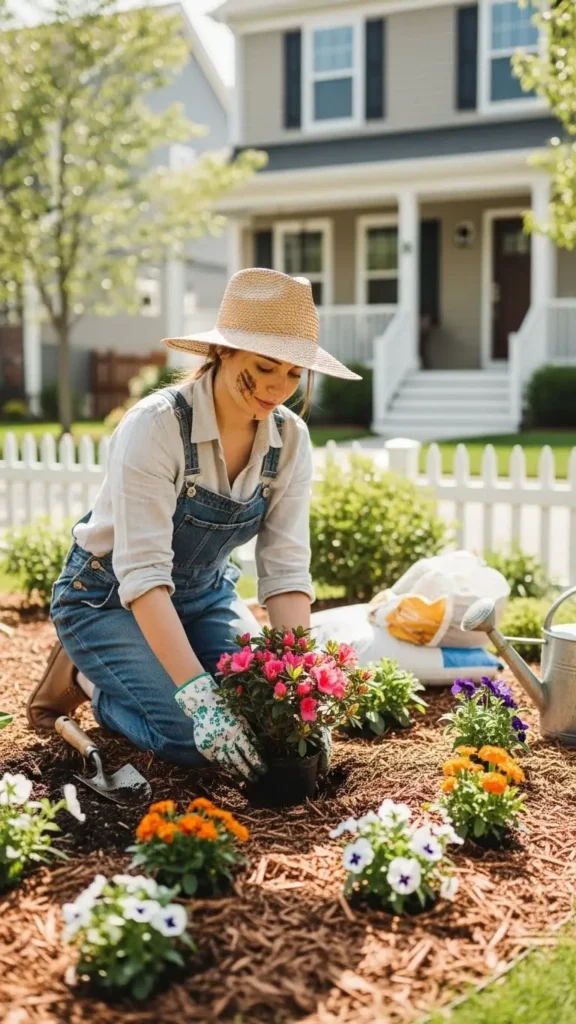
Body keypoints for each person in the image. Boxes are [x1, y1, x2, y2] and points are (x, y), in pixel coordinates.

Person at [27, 268, 361, 781]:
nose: (278, 388)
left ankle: (143, 677)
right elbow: (141, 575)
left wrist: (299, 693)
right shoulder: (156, 426)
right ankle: (95, 684)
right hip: (108, 598)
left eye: (294, 374)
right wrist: (200, 699)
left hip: (204, 597)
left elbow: (286, 570)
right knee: (192, 740)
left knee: (261, 715)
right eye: (266, 366)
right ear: (222, 352)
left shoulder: (290, 440)